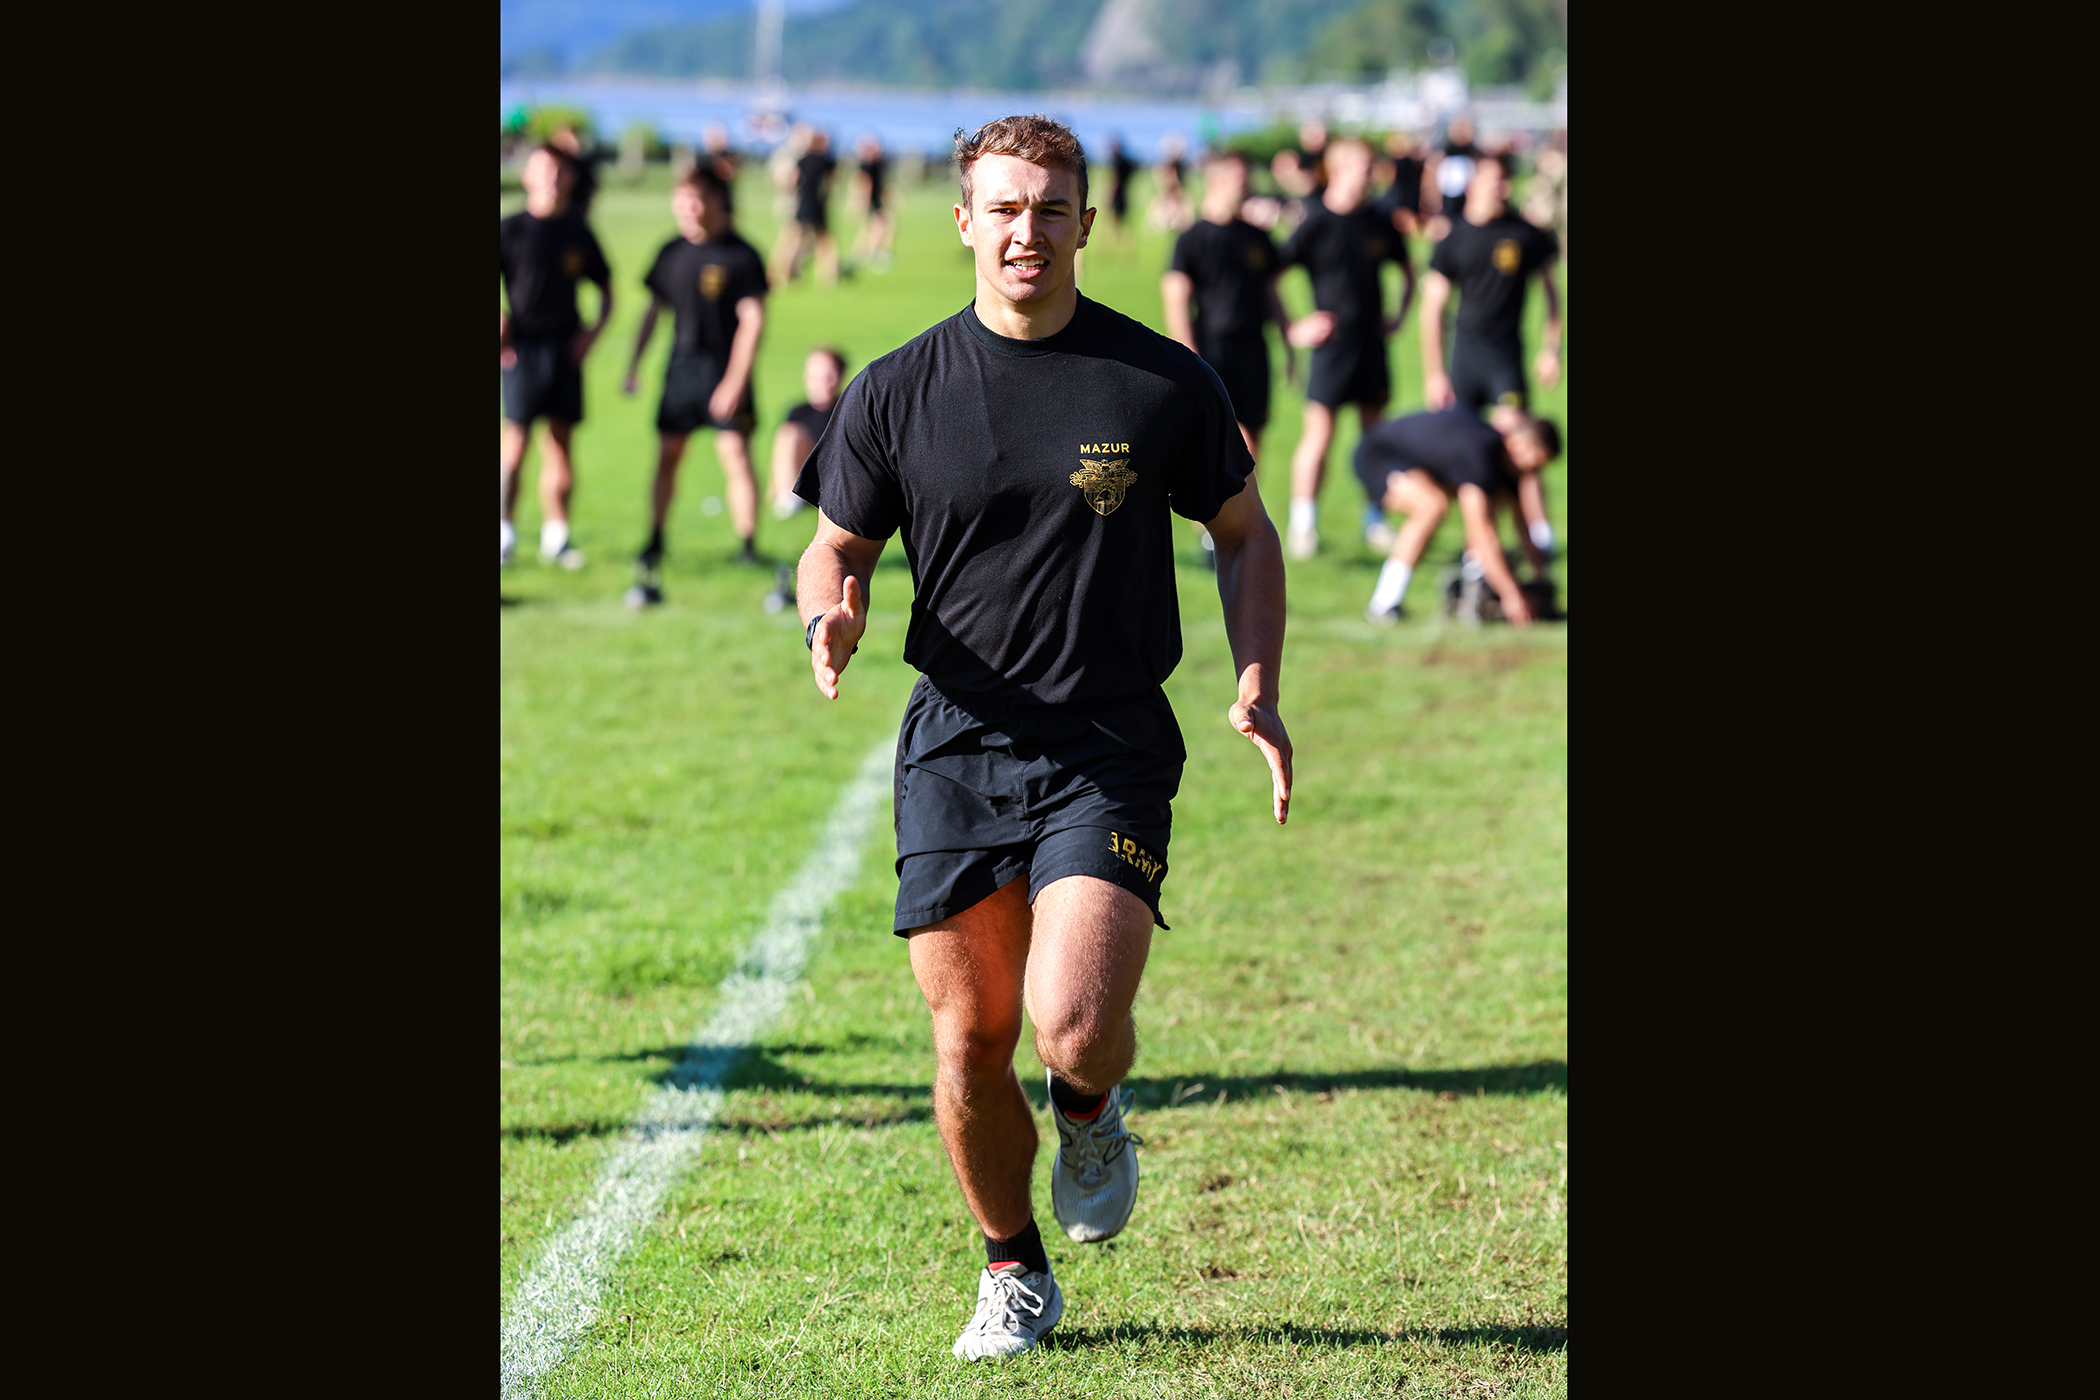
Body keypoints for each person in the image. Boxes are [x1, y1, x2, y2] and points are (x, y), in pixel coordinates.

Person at [793, 114, 1291, 1362]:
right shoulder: (895, 390)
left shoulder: (1161, 381)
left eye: (1050, 207)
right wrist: (830, 602)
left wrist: (1257, 680)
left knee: (1069, 1022)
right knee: (968, 1036)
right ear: (964, 219)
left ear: (1084, 220)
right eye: (1004, 207)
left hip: (1110, 736)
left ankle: (1090, 1106)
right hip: (957, 739)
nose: (1028, 230)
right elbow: (836, 539)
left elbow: (1245, 531)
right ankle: (1013, 1267)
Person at [621, 164, 768, 591]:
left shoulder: (742, 254)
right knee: (668, 456)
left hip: (725, 368)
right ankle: (655, 538)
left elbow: (753, 320)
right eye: (681, 199)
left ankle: (747, 544)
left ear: (717, 200)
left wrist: (735, 382)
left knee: (735, 455)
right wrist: (633, 364)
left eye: (695, 198)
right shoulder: (670, 252)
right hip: (680, 369)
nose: (687, 207)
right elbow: (653, 311)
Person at [1276, 136, 1416, 559]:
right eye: (1362, 166)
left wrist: (1399, 316)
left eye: (1371, 167)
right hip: (1332, 348)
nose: (1370, 174)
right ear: (1337, 171)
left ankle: (1376, 519)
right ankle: (1304, 524)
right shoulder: (1316, 222)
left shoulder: (1380, 220)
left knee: (1376, 437)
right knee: (1320, 436)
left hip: (1371, 345)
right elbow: (1272, 276)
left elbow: (1410, 271)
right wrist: (1295, 328)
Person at [1420, 152, 1563, 558]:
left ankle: (1538, 533)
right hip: (1465, 355)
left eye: (1505, 181)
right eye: (1493, 179)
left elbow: (1553, 296)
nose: (1501, 188)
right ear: (1474, 183)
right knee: (1469, 452)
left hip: (1506, 356)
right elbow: (1433, 308)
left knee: (1520, 445)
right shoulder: (1453, 238)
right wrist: (1434, 372)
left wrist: (1552, 349)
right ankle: (1477, 543)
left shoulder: (1526, 234)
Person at [500, 144, 612, 569]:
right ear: (527, 175)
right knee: (514, 445)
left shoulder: (578, 231)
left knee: (560, 447)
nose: (550, 177)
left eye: (558, 170)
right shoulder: (510, 228)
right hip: (521, 350)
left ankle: (557, 536)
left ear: (569, 178)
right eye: (542, 169)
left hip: (564, 350)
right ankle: (505, 533)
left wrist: (592, 335)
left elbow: (606, 288)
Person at [1353, 405, 1558, 626]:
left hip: (1422, 463)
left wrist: (1541, 576)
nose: (1534, 472)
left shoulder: (1510, 469)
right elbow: (1481, 534)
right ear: (1518, 445)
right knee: (1431, 507)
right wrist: (1512, 595)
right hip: (1380, 454)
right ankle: (1384, 604)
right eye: (1534, 461)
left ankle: (1474, 584)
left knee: (1483, 504)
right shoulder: (1479, 455)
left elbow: (1523, 528)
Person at [1161, 150, 1294, 465]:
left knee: (1253, 436)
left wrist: (1289, 343)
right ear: (1217, 181)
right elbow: (1175, 298)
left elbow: (1272, 293)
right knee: (1213, 440)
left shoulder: (1258, 237)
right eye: (1240, 179)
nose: (1247, 185)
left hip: (1254, 347)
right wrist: (1189, 355)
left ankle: (1244, 512)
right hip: (1213, 349)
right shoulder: (1192, 239)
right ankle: (1208, 514)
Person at [767, 345, 847, 519]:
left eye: (829, 375)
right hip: (807, 474)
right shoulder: (798, 412)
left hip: (836, 478)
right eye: (816, 376)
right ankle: (787, 496)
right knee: (788, 434)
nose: (823, 382)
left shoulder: (846, 408)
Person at [771, 128, 839, 287]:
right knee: (824, 242)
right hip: (818, 204)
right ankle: (828, 277)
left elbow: (792, 181)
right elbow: (830, 183)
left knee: (794, 240)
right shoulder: (826, 161)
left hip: (802, 203)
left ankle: (785, 273)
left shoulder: (802, 160)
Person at [1425, 116, 1481, 239]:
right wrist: (1432, 194)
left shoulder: (1472, 150)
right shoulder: (1447, 148)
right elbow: (1433, 170)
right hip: (1448, 194)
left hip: (1467, 193)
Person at [851, 134, 895, 270]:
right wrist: (863, 201)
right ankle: (870, 253)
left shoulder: (876, 164)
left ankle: (860, 254)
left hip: (875, 199)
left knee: (872, 227)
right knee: (879, 226)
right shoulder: (868, 165)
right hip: (872, 200)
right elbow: (865, 184)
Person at [1375, 130, 1427, 237]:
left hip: (1400, 193)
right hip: (1408, 192)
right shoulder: (1412, 162)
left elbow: (1389, 177)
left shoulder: (1396, 161)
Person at [1106, 137, 1136, 243]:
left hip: (1119, 194)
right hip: (1125, 194)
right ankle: (1123, 241)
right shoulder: (1125, 162)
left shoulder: (1118, 163)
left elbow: (1115, 181)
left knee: (1115, 220)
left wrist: (1110, 197)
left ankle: (1114, 240)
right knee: (1123, 221)